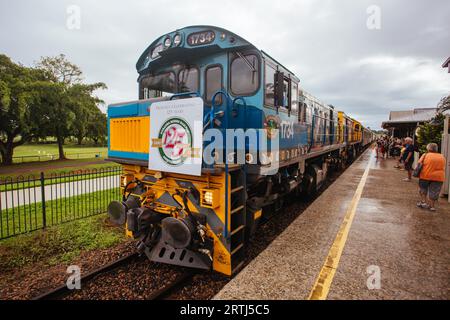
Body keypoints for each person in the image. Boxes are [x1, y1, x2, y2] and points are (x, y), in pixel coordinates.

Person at [416, 143, 446, 211]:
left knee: (423, 189)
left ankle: (423, 202)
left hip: (426, 175)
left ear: (428, 149)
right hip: (438, 177)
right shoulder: (442, 156)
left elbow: (419, 163)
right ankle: (432, 206)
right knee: (434, 191)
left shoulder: (425, 155)